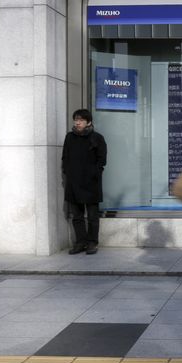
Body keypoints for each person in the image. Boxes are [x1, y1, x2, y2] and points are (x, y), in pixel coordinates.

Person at [62, 109, 107, 255]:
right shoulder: (69, 137)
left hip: (91, 183)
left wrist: (94, 173)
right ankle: (80, 242)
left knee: (93, 216)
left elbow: (102, 160)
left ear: (89, 122)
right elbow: (65, 158)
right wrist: (68, 173)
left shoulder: (97, 138)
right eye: (76, 120)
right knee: (77, 216)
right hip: (74, 183)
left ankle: (92, 243)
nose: (77, 122)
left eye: (81, 120)